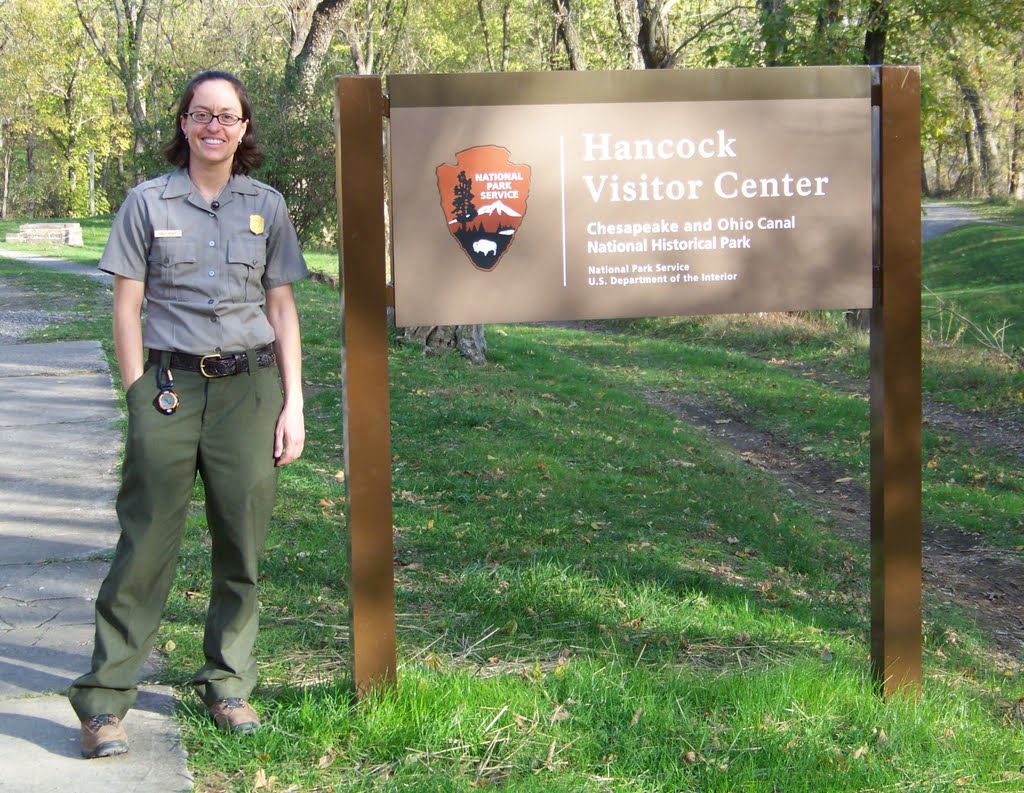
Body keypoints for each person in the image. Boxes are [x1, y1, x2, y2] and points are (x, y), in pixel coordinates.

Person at [68, 70, 308, 759]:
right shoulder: (147, 202)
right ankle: (105, 700)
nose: (213, 127)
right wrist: (139, 393)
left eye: (227, 117)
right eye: (201, 114)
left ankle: (229, 683)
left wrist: (294, 402)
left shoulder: (267, 205)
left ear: (243, 128)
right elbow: (126, 304)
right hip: (170, 388)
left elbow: (283, 307)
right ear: (183, 123)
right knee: (143, 544)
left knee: (242, 544)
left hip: (249, 391)